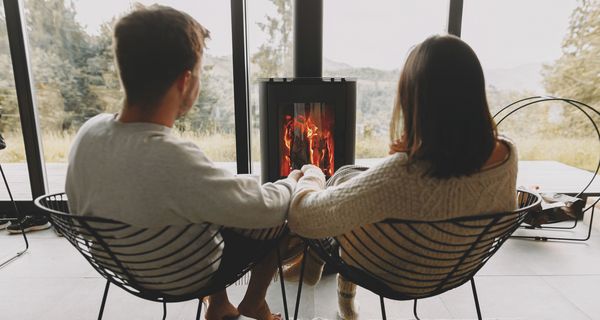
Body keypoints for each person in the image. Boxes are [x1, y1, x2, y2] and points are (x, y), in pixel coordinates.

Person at [65, 5, 299, 320]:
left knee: (202, 204)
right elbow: (265, 208)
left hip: (119, 265)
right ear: (185, 81)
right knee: (279, 217)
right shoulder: (169, 159)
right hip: (182, 274)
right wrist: (294, 182)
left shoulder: (88, 132)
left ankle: (218, 305)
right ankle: (254, 301)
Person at [288, 34, 518, 319]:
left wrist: (311, 175)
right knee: (349, 174)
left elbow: (304, 218)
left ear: (416, 99)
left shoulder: (403, 175)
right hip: (457, 263)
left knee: (339, 183)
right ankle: (327, 281)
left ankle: (312, 264)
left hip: (399, 269)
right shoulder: (507, 152)